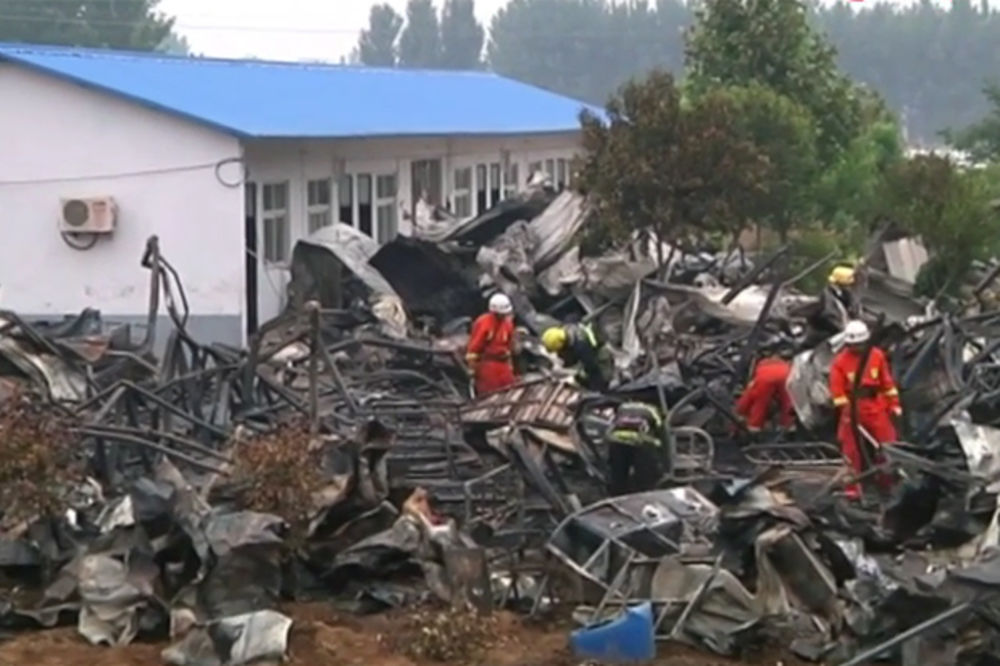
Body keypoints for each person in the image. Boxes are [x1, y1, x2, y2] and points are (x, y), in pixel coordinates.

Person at [829, 319, 902, 500]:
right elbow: (837, 391)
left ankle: (886, 483)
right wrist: (846, 412)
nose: (858, 348)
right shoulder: (840, 362)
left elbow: (887, 383)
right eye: (854, 345)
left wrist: (894, 404)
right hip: (852, 408)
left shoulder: (876, 355)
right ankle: (852, 488)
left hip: (875, 406)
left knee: (887, 444)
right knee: (851, 450)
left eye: (860, 344)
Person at [605, 401, 665, 496]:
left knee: (618, 475)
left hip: (617, 441)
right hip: (640, 442)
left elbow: (613, 423)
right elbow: (660, 426)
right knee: (644, 477)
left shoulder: (623, 406)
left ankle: (616, 496)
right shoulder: (652, 409)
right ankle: (642, 497)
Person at [466, 293, 517, 396]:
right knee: (490, 394)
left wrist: (510, 364)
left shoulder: (508, 324)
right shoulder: (484, 323)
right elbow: (474, 349)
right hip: (488, 364)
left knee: (510, 390)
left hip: (503, 364)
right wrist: (472, 368)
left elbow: (509, 346)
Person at [735, 353, 794, 438]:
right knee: (788, 402)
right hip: (786, 374)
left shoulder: (760, 369)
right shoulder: (782, 364)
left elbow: (747, 399)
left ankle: (754, 429)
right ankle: (789, 427)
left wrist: (740, 412)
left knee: (760, 402)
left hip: (766, 378)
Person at [541, 323, 614, 392]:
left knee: (598, 381)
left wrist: (596, 386)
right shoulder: (567, 329)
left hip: (600, 355)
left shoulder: (581, 347)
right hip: (590, 350)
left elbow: (592, 367)